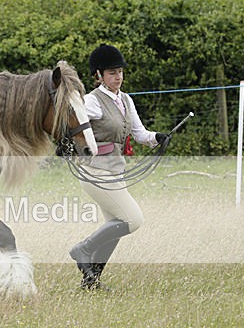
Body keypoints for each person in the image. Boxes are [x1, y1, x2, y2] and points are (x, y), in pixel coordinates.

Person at [69, 44, 170, 290]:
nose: (118, 77)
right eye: (112, 73)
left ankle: (90, 281)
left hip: (116, 171)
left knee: (114, 227)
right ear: (99, 76)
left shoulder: (126, 99)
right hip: (95, 171)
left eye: (120, 72)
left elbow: (139, 133)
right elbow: (72, 120)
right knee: (133, 219)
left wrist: (158, 137)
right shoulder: (92, 102)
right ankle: (82, 250)